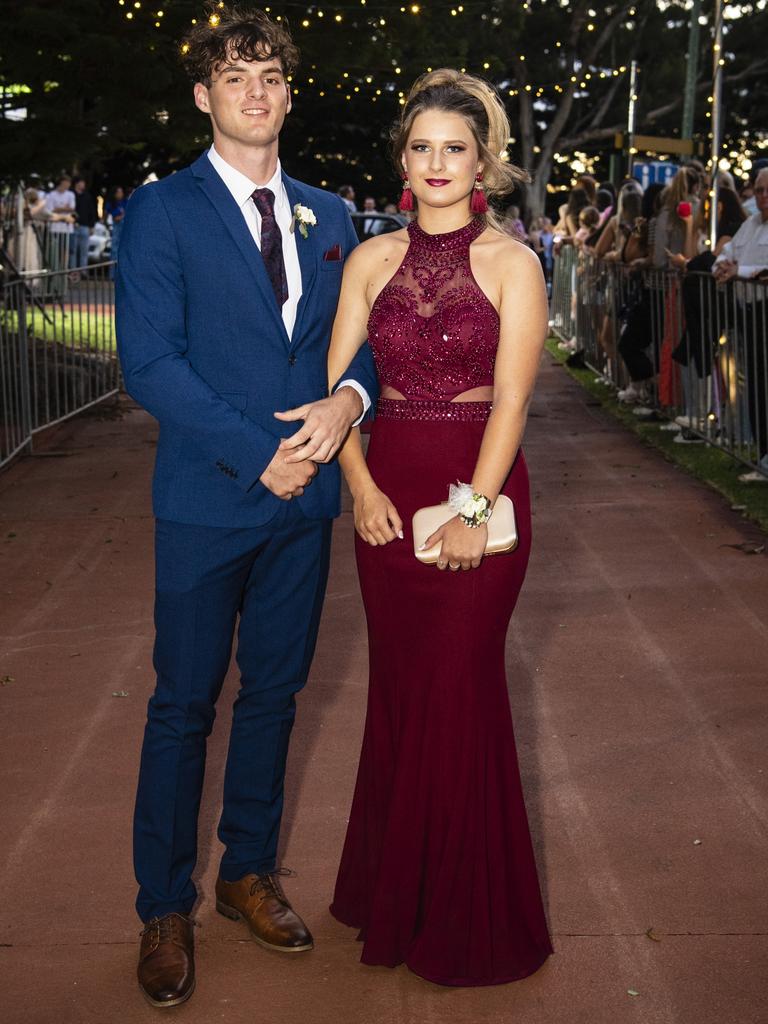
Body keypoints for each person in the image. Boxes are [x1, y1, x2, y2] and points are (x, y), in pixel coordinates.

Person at [115, 7, 377, 1008]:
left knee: (276, 693)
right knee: (181, 705)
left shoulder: (333, 214)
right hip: (206, 500)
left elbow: (365, 349)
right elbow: (150, 365)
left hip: (302, 509)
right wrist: (257, 452)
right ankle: (162, 904)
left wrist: (352, 398)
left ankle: (247, 872)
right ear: (202, 96)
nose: (255, 92)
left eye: (270, 76)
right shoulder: (162, 211)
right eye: (235, 78)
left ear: (289, 91)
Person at [314, 67, 553, 986]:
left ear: (483, 158)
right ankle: (395, 897)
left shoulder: (513, 263)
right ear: (404, 161)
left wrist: (474, 511)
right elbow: (339, 395)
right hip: (386, 490)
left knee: (459, 689)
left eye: (455, 147)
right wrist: (360, 489)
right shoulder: (370, 260)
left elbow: (515, 406)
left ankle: (466, 918)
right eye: (422, 147)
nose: (437, 162)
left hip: (478, 496)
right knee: (404, 694)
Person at [713, 165, 768, 482]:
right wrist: (723, 266)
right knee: (755, 383)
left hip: (763, 309)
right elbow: (728, 251)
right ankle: (762, 454)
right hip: (749, 313)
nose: (761, 197)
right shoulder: (752, 224)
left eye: (766, 191)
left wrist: (739, 271)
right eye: (758, 191)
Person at [70, 178, 98, 272]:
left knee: (84, 251)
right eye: (82, 183)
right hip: (73, 225)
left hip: (85, 226)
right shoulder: (71, 194)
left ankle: (83, 271)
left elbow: (91, 211)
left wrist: (92, 226)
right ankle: (73, 271)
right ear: (77, 184)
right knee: (72, 250)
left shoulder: (87, 196)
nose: (83, 185)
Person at [105, 186, 127, 277]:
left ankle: (121, 275)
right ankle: (112, 274)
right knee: (114, 251)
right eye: (118, 192)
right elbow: (113, 217)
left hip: (123, 229)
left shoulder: (125, 202)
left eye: (121, 192)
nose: (120, 194)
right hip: (116, 229)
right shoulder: (111, 203)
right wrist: (121, 215)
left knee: (123, 251)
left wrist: (121, 215)